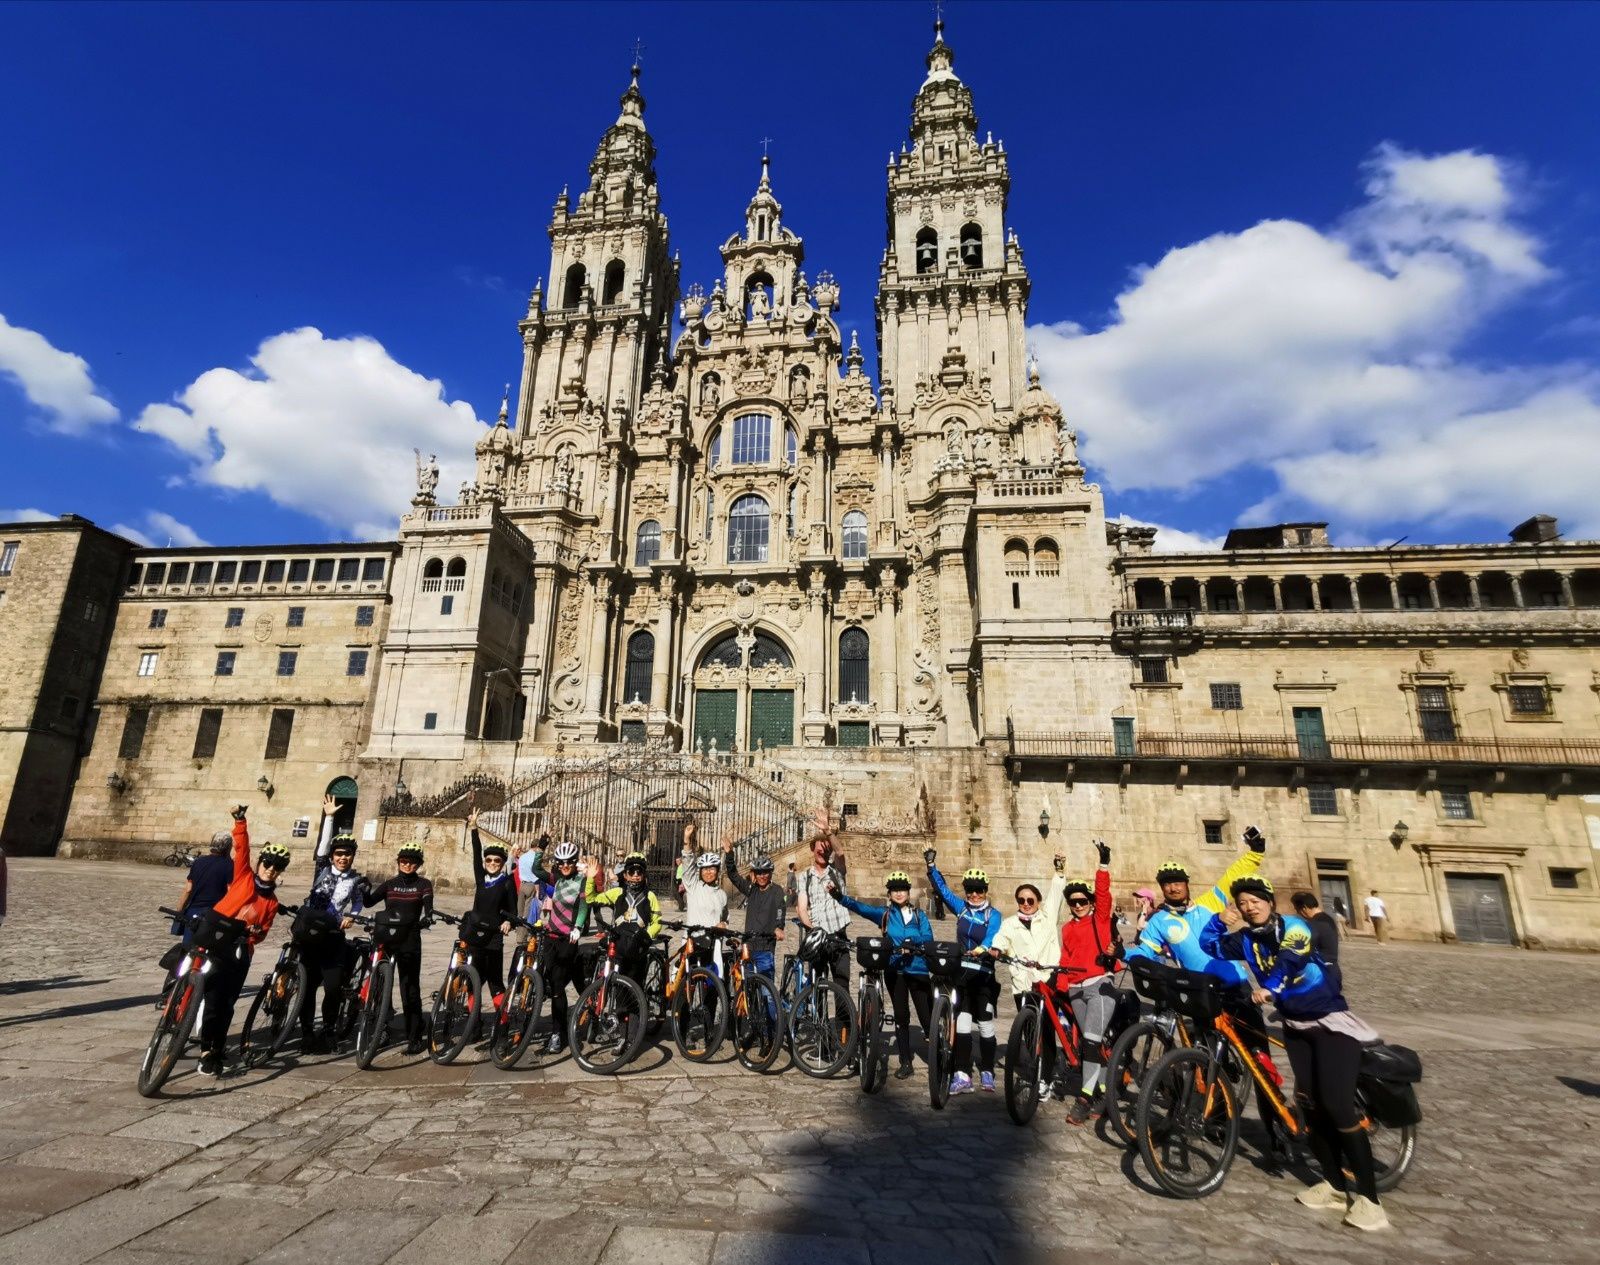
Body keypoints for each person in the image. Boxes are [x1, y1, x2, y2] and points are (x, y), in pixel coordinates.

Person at [1202, 875, 1389, 1232]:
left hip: (1330, 1023)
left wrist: (1269, 990)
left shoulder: (1296, 926)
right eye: (1242, 902)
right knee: (1310, 1106)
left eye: (1255, 899)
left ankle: (1369, 1199)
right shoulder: (1244, 938)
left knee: (1337, 1105)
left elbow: (1289, 961)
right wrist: (1217, 921)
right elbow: (1209, 946)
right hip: (1297, 1028)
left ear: (1270, 901)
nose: (1248, 906)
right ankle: (1334, 1185)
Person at [196, 806, 289, 1076]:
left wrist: (254, 931)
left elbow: (263, 933)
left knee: (226, 1003)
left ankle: (214, 1048)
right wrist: (240, 821)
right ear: (260, 864)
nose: (271, 870)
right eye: (268, 864)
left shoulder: (272, 902)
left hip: (239, 952)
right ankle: (193, 1030)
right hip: (216, 939)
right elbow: (242, 849)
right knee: (212, 997)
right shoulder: (243, 878)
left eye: (277, 867)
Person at [836, 870, 933, 1078]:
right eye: (894, 890)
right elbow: (860, 908)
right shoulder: (885, 915)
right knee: (901, 1015)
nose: (898, 893)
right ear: (889, 894)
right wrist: (839, 897)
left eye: (902, 890)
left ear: (908, 892)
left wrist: (914, 943)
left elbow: (928, 937)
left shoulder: (919, 915)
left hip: (917, 968)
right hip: (894, 968)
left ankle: (937, 1053)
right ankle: (906, 1062)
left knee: (926, 1016)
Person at [924, 848, 1002, 1094]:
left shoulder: (993, 914)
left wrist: (984, 948)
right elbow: (943, 891)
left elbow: (992, 934)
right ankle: (962, 1073)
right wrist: (931, 867)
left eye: (979, 889)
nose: (975, 894)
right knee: (964, 1023)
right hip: (963, 974)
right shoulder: (962, 909)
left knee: (986, 1025)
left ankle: (987, 1070)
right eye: (970, 889)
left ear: (986, 891)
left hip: (984, 974)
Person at [1055, 840, 1118, 1124]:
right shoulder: (1067, 928)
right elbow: (1066, 957)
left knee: (1091, 1042)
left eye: (1082, 901)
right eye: (1073, 902)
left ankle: (1084, 1097)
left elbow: (1103, 896)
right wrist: (1062, 983)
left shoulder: (1100, 920)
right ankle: (1105, 1090)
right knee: (1091, 1044)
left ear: (1090, 903)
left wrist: (1103, 865)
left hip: (1099, 986)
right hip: (1076, 990)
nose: (1078, 905)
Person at [297, 795, 366, 1053]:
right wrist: (329, 818)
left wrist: (353, 916)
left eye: (347, 854)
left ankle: (328, 1030)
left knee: (334, 986)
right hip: (312, 932)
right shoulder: (322, 870)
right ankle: (306, 1032)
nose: (343, 858)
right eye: (339, 854)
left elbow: (358, 902)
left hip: (334, 933)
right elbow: (323, 847)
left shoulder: (355, 880)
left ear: (352, 857)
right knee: (307, 984)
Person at [362, 840, 436, 1055]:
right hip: (387, 936)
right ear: (398, 862)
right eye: (403, 861)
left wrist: (428, 917)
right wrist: (364, 889)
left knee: (409, 988)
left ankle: (414, 1036)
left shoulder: (424, 884)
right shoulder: (390, 884)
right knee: (378, 984)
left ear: (418, 864)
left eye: (412, 862)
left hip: (410, 938)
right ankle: (381, 1028)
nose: (407, 864)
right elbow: (369, 903)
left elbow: (428, 905)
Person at [525, 837, 587, 1054]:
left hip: (568, 937)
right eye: (561, 863)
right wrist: (541, 849)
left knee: (559, 987)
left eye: (569, 862)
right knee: (557, 981)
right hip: (551, 937)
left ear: (575, 861)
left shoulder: (580, 881)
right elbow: (535, 868)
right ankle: (587, 1004)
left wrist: (578, 927)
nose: (565, 866)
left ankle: (557, 1033)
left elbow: (583, 907)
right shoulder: (557, 879)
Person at [992, 854, 1068, 1009]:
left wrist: (1059, 872)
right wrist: (997, 948)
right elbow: (1002, 937)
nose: (1026, 904)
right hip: (1023, 981)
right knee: (1027, 1027)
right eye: (1021, 900)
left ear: (1038, 902)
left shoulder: (1048, 917)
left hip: (1047, 977)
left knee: (1046, 1026)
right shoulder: (1010, 923)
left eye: (1030, 900)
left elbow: (1055, 894)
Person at [584, 851, 663, 994]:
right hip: (618, 943)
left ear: (644, 875)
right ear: (625, 874)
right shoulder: (617, 893)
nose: (635, 875)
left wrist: (646, 935)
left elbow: (657, 922)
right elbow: (590, 899)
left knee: (634, 990)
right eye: (631, 871)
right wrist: (590, 879)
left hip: (637, 947)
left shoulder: (650, 896)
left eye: (639, 871)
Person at [466, 809, 517, 1016]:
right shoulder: (481, 878)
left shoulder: (506, 883)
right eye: (489, 860)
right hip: (475, 934)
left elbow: (513, 910)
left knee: (495, 983)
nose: (493, 863)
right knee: (472, 981)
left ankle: (502, 1025)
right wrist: (474, 828)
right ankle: (474, 1025)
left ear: (503, 863)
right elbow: (476, 853)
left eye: (497, 861)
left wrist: (509, 923)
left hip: (494, 936)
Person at [794, 831, 852, 987]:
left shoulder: (837, 872)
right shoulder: (804, 877)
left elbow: (840, 852)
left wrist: (829, 832)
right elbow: (802, 908)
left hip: (838, 937)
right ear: (813, 850)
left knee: (842, 987)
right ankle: (819, 1012)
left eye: (826, 851)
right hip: (818, 938)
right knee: (817, 990)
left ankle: (843, 1012)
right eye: (819, 850)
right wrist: (813, 930)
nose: (822, 854)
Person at [724, 846, 785, 979]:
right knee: (748, 989)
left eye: (765, 872)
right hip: (748, 946)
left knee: (767, 993)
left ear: (771, 872)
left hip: (766, 947)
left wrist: (779, 927)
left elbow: (780, 910)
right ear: (754, 874)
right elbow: (733, 876)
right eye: (759, 873)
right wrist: (729, 854)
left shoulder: (777, 891)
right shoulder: (752, 889)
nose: (762, 876)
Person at [173, 828, 236, 945]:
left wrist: (179, 910)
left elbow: (188, 889)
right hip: (215, 914)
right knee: (209, 949)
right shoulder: (230, 865)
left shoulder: (198, 862)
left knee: (187, 948)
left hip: (193, 912)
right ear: (228, 847)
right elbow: (230, 892)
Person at [1291, 891, 1342, 967]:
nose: (1298, 913)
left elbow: (1305, 949)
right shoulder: (1327, 918)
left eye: (1297, 910)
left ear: (1304, 908)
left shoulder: (1315, 923)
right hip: (1332, 966)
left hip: (1322, 969)